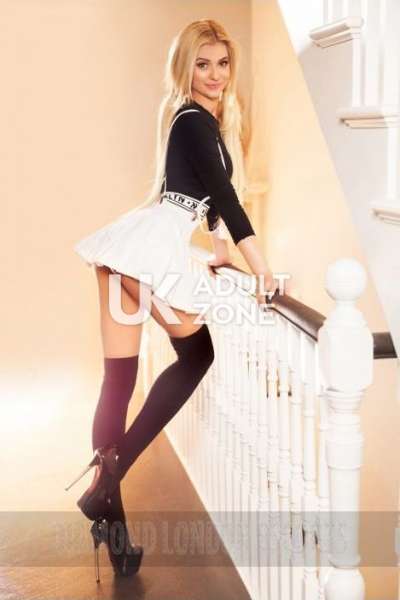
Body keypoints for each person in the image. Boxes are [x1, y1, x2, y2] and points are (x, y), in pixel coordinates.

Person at [65, 18, 276, 582]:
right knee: (197, 355)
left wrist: (221, 252)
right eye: (202, 64)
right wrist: (262, 269)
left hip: (133, 246)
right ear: (186, 68)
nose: (214, 75)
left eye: (222, 64)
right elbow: (226, 198)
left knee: (118, 382)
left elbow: (205, 204)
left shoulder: (194, 122)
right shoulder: (192, 120)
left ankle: (114, 531)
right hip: (148, 248)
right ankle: (108, 481)